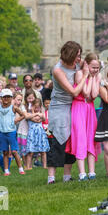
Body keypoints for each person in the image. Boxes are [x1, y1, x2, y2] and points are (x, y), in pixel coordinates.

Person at [47, 41, 83, 185]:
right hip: (59, 108)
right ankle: (51, 178)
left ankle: (67, 176)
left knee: (70, 140)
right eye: (77, 55)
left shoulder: (77, 66)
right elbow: (74, 91)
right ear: (70, 54)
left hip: (72, 107)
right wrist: (85, 76)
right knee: (56, 141)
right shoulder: (58, 70)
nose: (79, 58)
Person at [67, 53, 101, 181]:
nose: (95, 70)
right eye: (93, 67)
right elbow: (85, 92)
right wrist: (88, 75)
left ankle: (92, 172)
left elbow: (94, 94)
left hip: (90, 109)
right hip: (79, 107)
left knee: (91, 138)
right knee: (80, 137)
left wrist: (93, 77)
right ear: (86, 65)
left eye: (97, 68)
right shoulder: (80, 74)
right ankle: (82, 173)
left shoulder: (96, 76)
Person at [0, 88, 26, 176]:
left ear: (11, 98)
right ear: (1, 98)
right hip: (3, 132)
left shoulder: (13, 107)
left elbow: (23, 115)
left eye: (8, 97)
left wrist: (16, 120)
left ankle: (21, 169)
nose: (6, 99)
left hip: (11, 132)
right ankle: (6, 170)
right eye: (4, 97)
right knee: (5, 152)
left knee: (14, 151)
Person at [26, 98, 49, 169]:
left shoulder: (42, 113)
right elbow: (31, 118)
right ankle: (28, 166)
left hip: (40, 134)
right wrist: (34, 113)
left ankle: (44, 166)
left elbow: (43, 118)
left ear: (40, 107)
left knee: (43, 151)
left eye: (38, 108)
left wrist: (37, 116)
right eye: (35, 107)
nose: (36, 109)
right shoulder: (29, 113)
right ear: (32, 106)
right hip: (32, 134)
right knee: (31, 151)